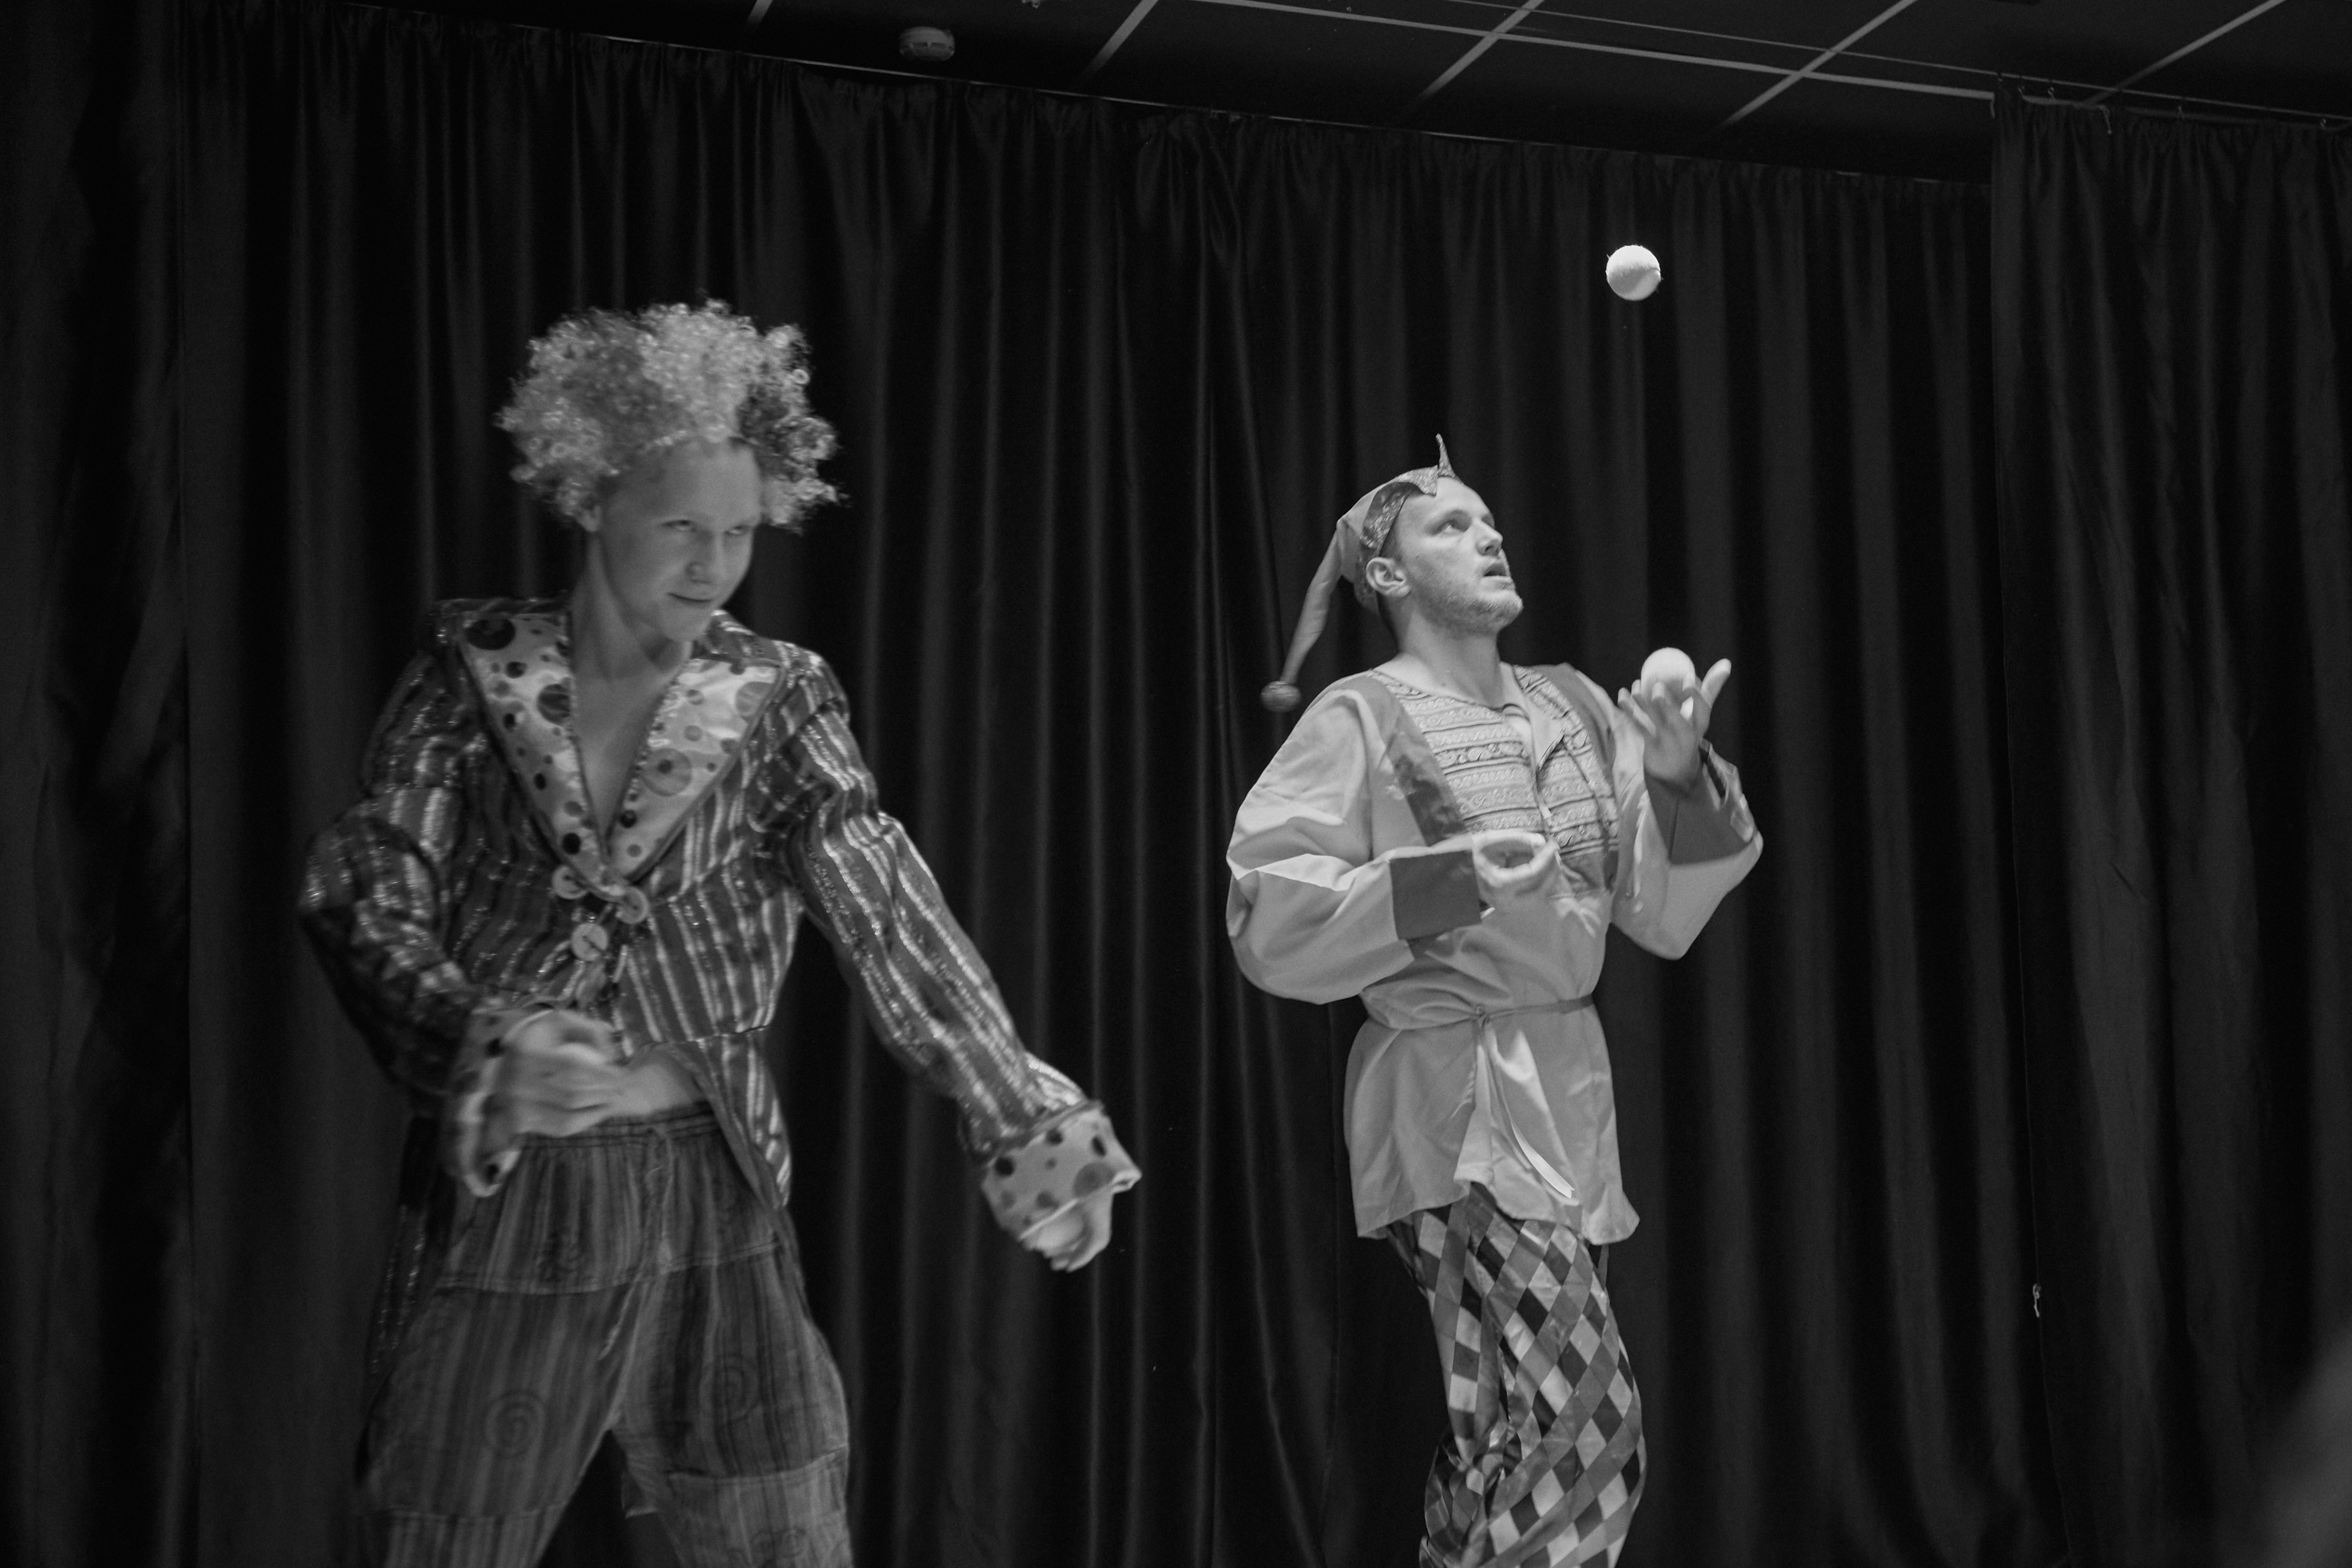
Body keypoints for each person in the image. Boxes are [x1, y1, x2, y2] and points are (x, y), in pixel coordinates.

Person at [300, 302, 1138, 1567]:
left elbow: (884, 907)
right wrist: (482, 1040)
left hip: (713, 1184)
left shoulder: (774, 695)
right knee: (441, 1540)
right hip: (521, 1188)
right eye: (682, 527)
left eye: (741, 530)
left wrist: (1023, 1117)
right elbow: (366, 884)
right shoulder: (471, 674)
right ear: (593, 498)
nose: (714, 565)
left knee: (782, 1536)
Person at [1227, 442, 1760, 1567]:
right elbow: (1268, 913)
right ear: (1389, 575)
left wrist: (1676, 775)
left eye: (1488, 519)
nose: (1491, 535)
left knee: (1504, 1433)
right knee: (1589, 1433)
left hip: (1564, 1098)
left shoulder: (1574, 703)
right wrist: (1446, 882)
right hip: (1452, 1108)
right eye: (1453, 526)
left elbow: (1658, 914)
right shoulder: (1361, 717)